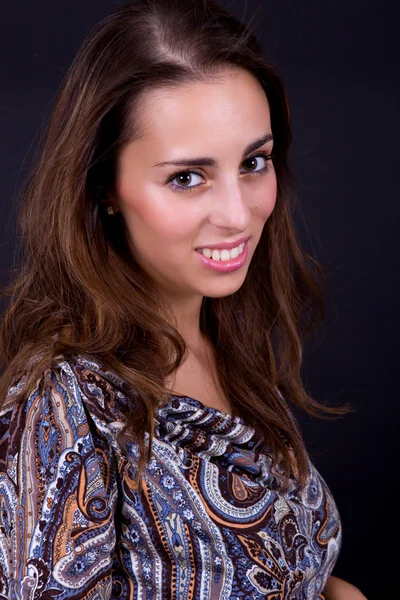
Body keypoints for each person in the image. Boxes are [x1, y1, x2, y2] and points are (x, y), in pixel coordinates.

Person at [0, 0, 367, 598]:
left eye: (254, 162)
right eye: (186, 177)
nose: (238, 213)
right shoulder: (65, 406)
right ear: (104, 188)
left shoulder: (227, 341)